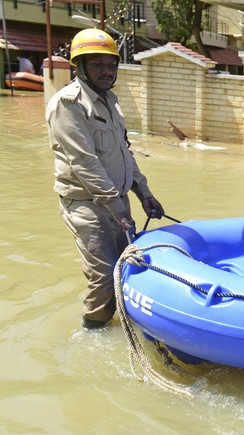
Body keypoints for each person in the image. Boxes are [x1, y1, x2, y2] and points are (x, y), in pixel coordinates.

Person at [46, 28, 165, 330]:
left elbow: (124, 154)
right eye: (97, 64)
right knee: (103, 276)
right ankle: (93, 333)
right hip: (87, 205)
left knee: (125, 268)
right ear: (80, 66)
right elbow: (84, 161)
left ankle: (121, 324)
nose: (106, 71)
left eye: (110, 64)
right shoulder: (69, 104)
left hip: (118, 203)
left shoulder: (110, 101)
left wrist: (144, 193)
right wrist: (117, 207)